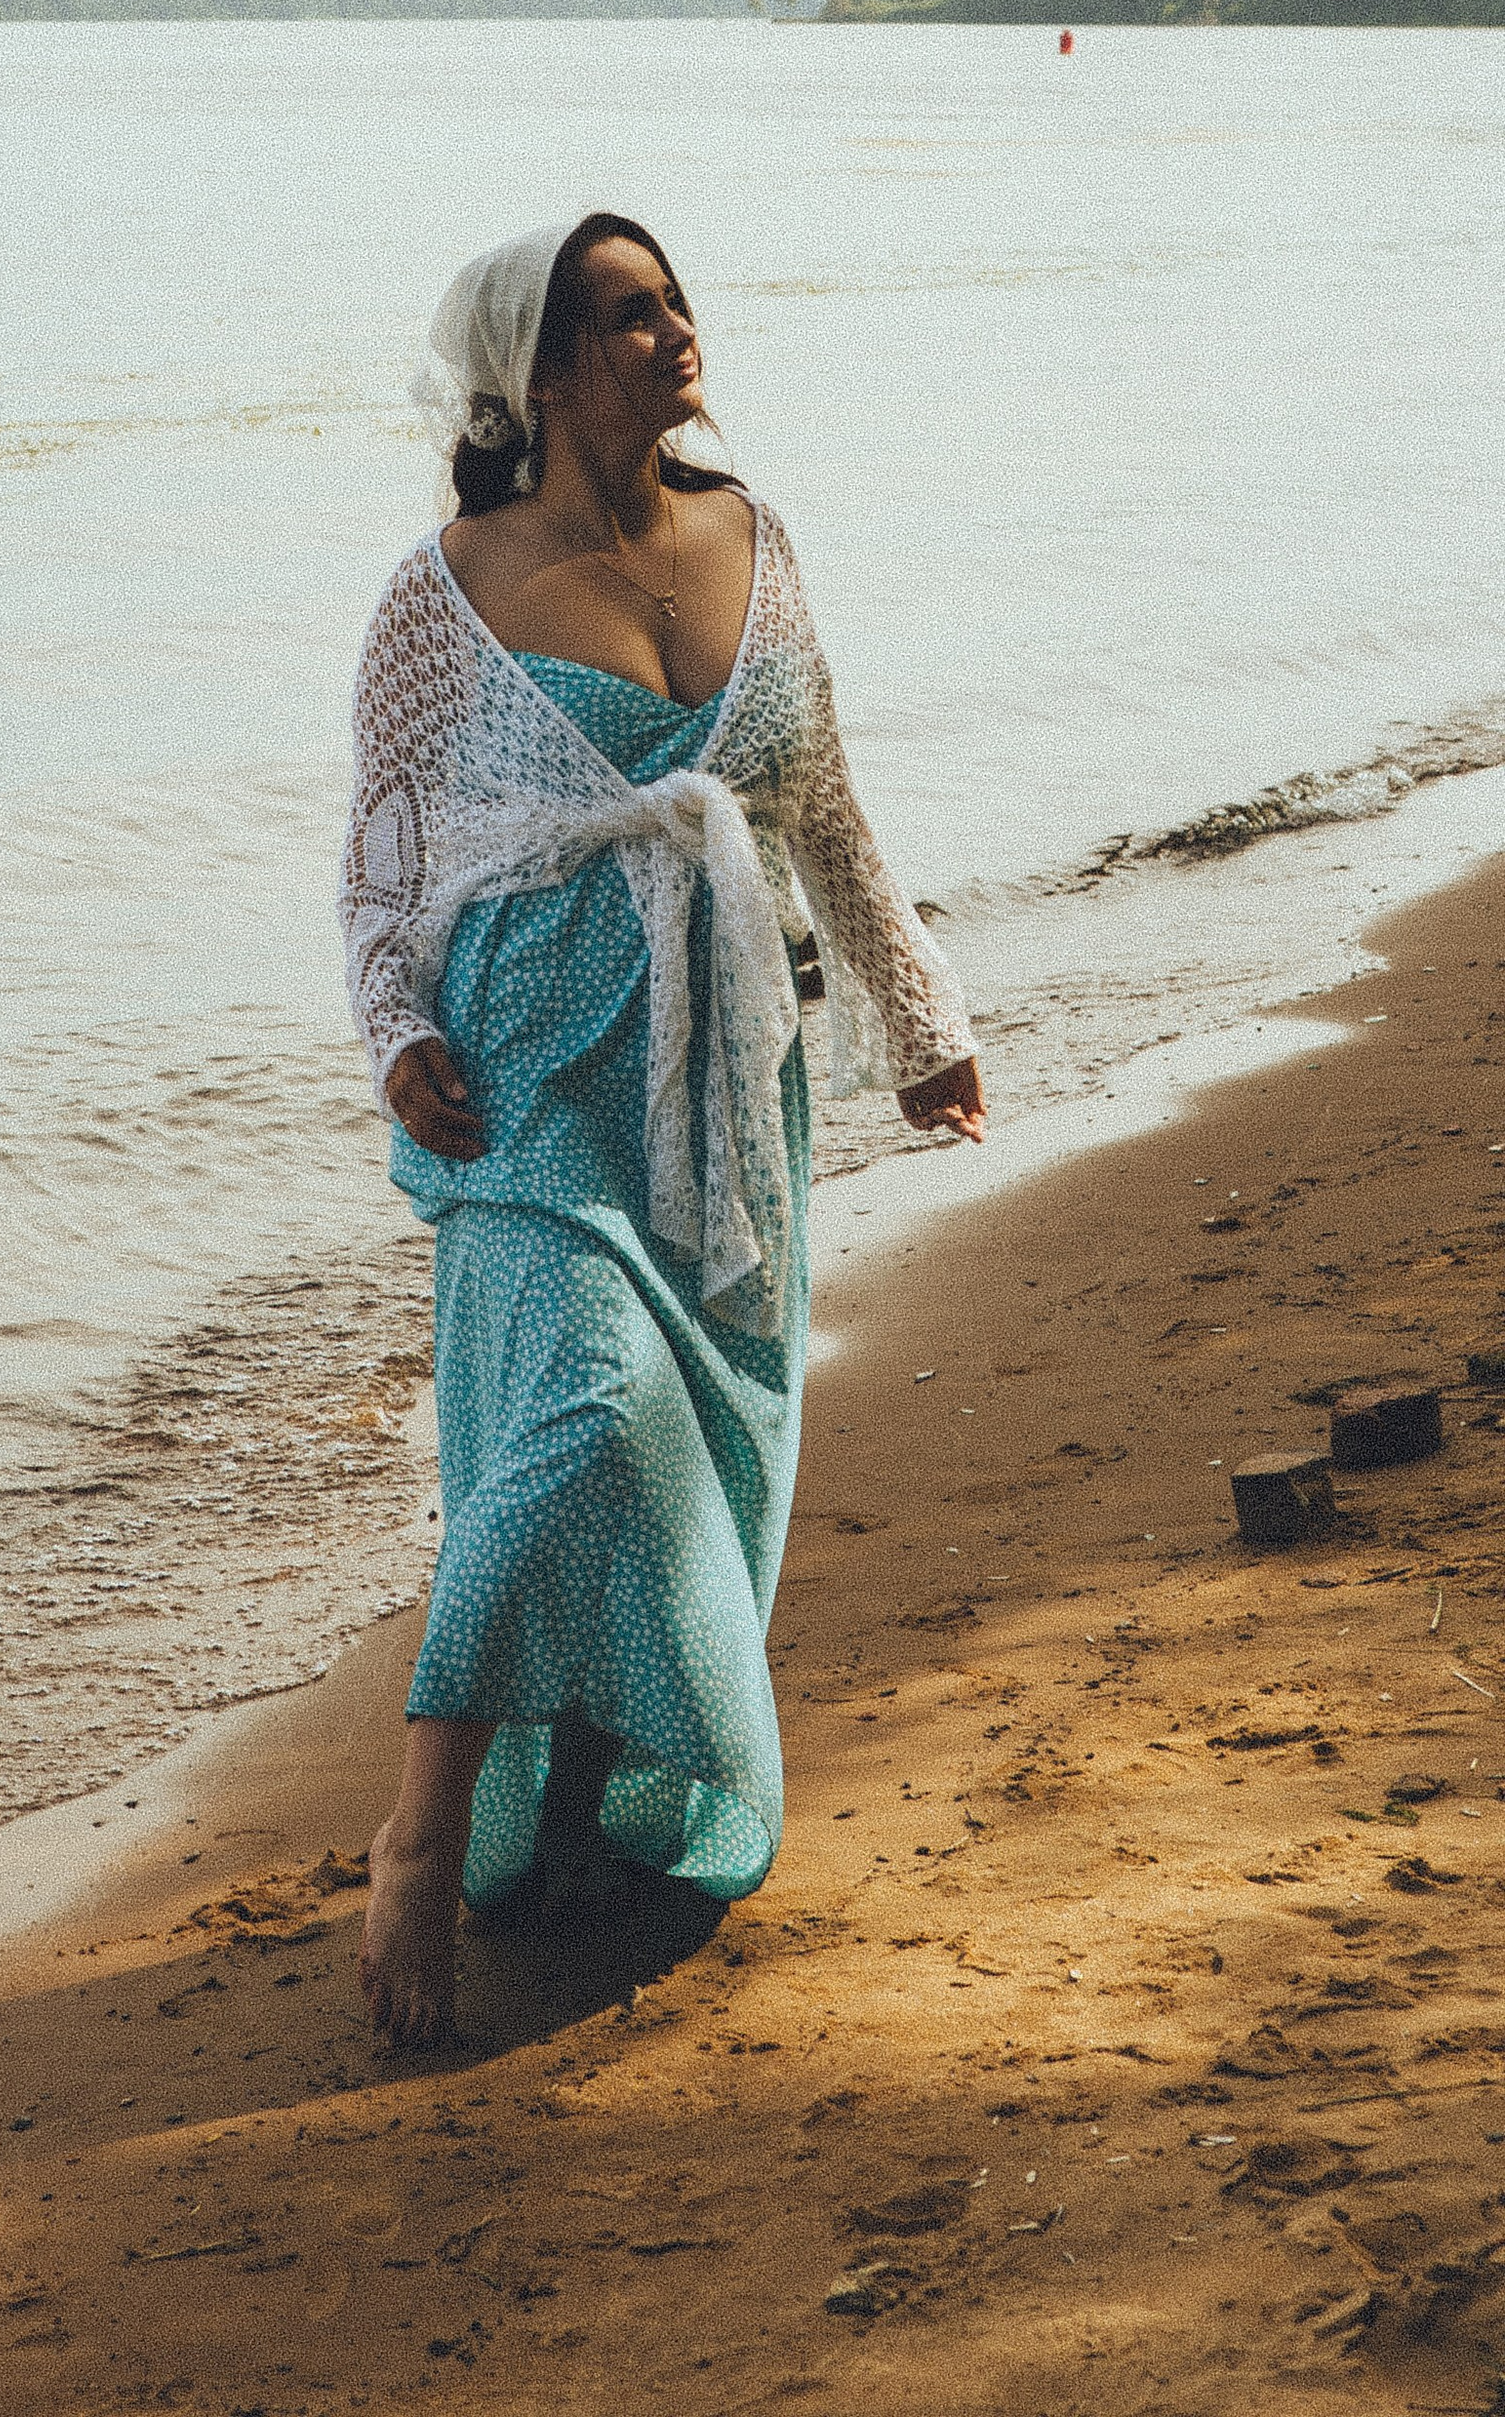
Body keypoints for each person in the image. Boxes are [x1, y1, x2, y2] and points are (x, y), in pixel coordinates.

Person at [338, 211, 983, 2044]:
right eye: (625, 317)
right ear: (536, 378)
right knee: (577, 1418)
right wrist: (395, 1037)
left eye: (674, 298)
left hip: (717, 1084)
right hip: (525, 1086)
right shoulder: (438, 591)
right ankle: (422, 1836)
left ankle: (605, 1804)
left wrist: (918, 1016)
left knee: (701, 1448)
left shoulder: (756, 543)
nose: (672, 330)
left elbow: (825, 815)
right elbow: (379, 876)